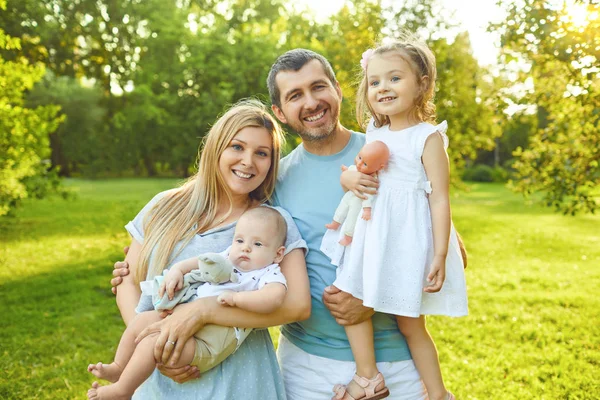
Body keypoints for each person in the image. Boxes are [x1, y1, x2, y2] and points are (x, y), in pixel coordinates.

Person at [105, 99, 310, 400]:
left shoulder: (272, 224)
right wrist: (163, 345)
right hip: (156, 375)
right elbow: (128, 280)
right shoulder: (164, 206)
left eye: (261, 153)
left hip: (235, 376)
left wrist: (202, 313)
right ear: (216, 147)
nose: (248, 162)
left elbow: (297, 306)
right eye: (237, 147)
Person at [267, 49, 429, 400]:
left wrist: (372, 295)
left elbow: (442, 253)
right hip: (304, 365)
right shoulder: (273, 180)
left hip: (393, 363)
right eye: (295, 96)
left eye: (318, 87)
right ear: (280, 113)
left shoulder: (389, 152)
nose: (311, 102)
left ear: (338, 88)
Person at [320, 38, 469, 400]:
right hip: (372, 237)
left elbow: (439, 198)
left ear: (422, 83)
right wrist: (348, 178)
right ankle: (367, 376)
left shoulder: (427, 137)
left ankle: (438, 393)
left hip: (405, 239)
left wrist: (438, 254)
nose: (383, 87)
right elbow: (357, 172)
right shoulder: (375, 133)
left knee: (410, 323)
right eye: (374, 82)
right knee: (348, 297)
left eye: (394, 78)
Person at [87, 207, 289, 400]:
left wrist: (238, 299)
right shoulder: (230, 256)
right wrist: (178, 270)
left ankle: (123, 391)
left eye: (258, 244)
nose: (245, 247)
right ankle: (119, 367)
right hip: (185, 316)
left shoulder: (267, 273)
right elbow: (201, 261)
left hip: (212, 339)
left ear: (278, 254)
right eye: (240, 240)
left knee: (153, 343)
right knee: (141, 322)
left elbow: (274, 298)